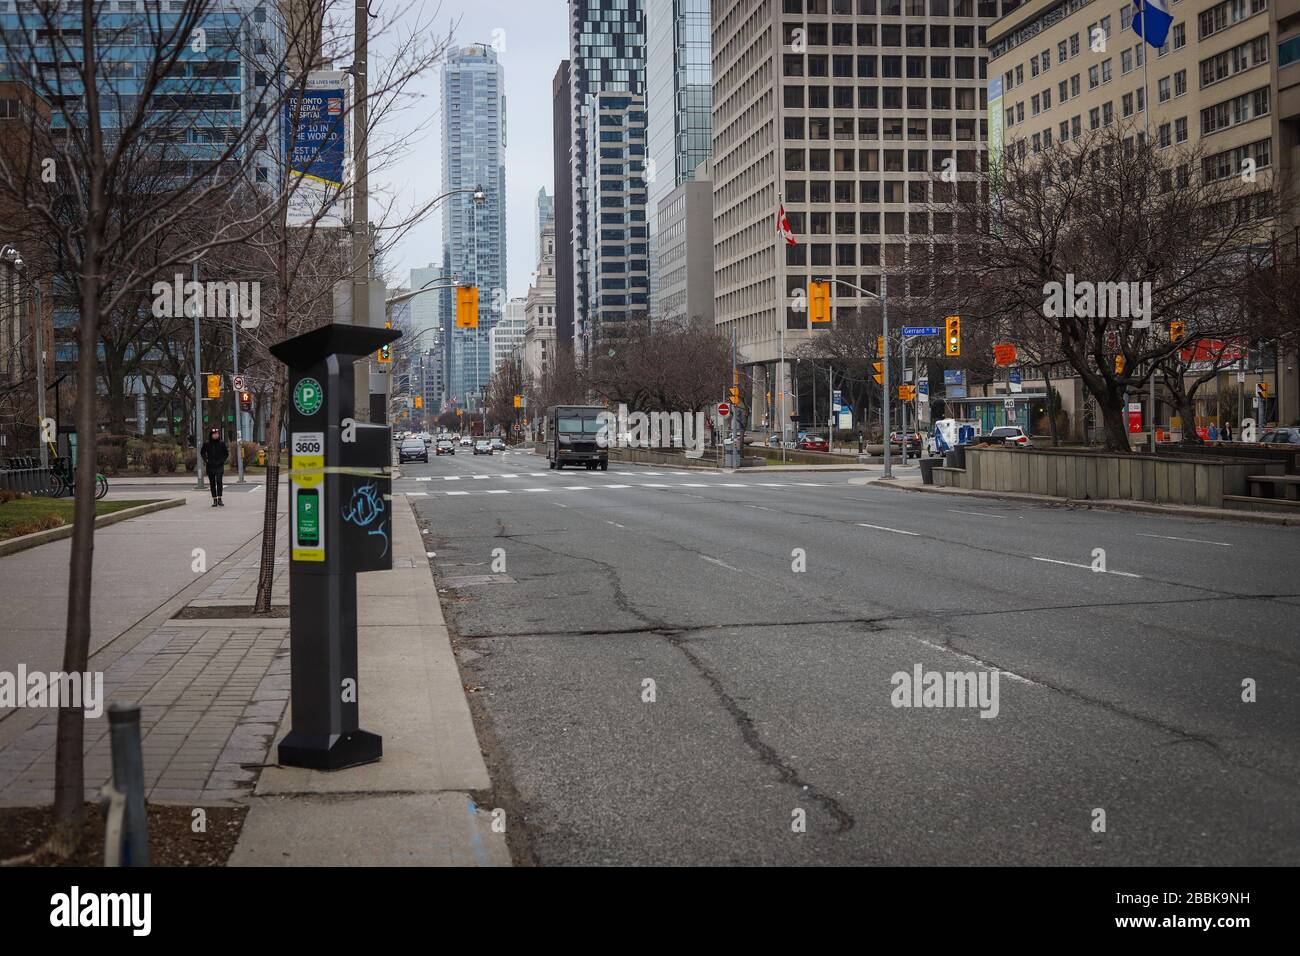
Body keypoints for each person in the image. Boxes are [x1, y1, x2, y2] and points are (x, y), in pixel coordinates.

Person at [200, 427, 229, 507]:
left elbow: (226, 454)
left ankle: (220, 498)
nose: (216, 435)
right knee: (212, 483)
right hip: (210, 466)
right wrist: (206, 460)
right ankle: (214, 499)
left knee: (219, 481)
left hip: (219, 465)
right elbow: (202, 452)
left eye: (217, 434)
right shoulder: (207, 444)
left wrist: (222, 461)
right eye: (214, 434)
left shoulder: (221, 443)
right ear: (211, 435)